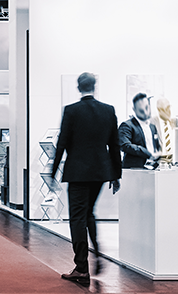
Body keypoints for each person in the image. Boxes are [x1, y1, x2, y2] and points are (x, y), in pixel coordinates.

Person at [50, 72, 121, 284]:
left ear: (79, 87)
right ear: (94, 86)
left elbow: (62, 143)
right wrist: (116, 175)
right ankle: (97, 252)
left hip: (77, 172)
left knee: (77, 218)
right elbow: (114, 145)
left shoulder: (71, 110)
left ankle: (81, 268)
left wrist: (53, 171)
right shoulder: (108, 110)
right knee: (89, 212)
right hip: (100, 172)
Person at [119, 93, 162, 169]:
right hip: (133, 170)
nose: (145, 113)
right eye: (141, 111)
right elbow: (124, 145)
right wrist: (147, 153)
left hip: (152, 169)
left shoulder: (152, 126)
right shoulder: (127, 125)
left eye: (146, 108)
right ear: (134, 109)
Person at [154, 97, 176, 164]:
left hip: (174, 161)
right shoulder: (152, 123)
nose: (169, 111)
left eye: (169, 107)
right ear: (159, 110)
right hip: (159, 161)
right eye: (166, 108)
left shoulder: (175, 122)